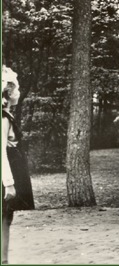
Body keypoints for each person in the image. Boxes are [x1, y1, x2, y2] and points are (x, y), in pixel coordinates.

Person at [2, 66, 35, 264]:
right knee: (4, 218)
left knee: (6, 217)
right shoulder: (3, 118)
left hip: (11, 168)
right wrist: (8, 183)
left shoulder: (6, 115)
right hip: (5, 174)